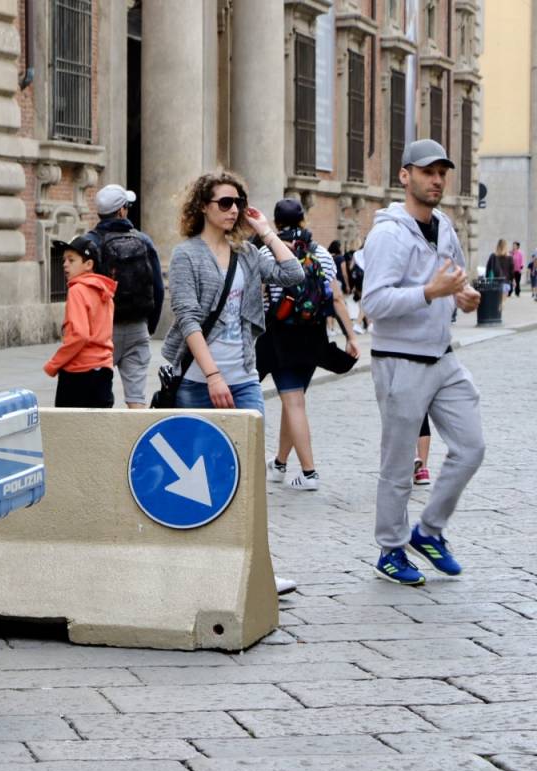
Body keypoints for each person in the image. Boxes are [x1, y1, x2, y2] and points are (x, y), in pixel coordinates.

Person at [361, 139, 484, 586]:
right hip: (399, 361)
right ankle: (390, 549)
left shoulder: (445, 226)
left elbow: (456, 280)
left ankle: (428, 531)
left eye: (441, 173)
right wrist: (429, 293)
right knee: (398, 465)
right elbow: (373, 302)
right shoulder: (388, 234)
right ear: (404, 175)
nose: (436, 180)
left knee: (472, 447)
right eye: (427, 172)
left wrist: (463, 296)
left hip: (443, 356)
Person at [162, 171, 304, 414]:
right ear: (204, 206)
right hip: (198, 381)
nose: (234, 210)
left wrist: (266, 232)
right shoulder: (186, 255)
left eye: (238, 203)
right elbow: (188, 319)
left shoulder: (246, 252)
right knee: (198, 451)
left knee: (249, 452)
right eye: (225, 203)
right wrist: (213, 376)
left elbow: (293, 274)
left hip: (244, 379)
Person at [260, 199, 360, 491]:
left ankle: (309, 472)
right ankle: (279, 463)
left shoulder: (268, 251)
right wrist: (352, 337)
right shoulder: (323, 255)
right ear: (303, 220)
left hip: (280, 334)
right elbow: (337, 298)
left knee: (293, 403)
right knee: (295, 403)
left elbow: (259, 293)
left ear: (276, 223)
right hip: (314, 336)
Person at [84, 184, 164, 408]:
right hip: (138, 327)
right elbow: (158, 287)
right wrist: (149, 326)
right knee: (136, 399)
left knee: (99, 399)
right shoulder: (143, 241)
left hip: (102, 332)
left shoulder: (89, 243)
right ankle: (137, 440)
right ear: (121, 211)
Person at [43, 235, 116, 407]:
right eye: (63, 260)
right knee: (97, 429)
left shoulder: (77, 290)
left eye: (71, 260)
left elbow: (79, 335)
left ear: (88, 265)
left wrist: (54, 364)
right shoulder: (105, 292)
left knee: (68, 430)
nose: (65, 264)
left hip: (79, 373)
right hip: (103, 370)